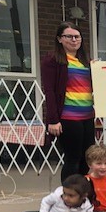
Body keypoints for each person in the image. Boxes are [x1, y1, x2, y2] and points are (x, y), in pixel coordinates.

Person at [41, 22, 95, 182]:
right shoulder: (52, 60)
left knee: (87, 158)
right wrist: (53, 120)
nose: (74, 40)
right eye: (69, 36)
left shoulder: (86, 62)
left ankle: (82, 194)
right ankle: (68, 196)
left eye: (77, 36)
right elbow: (49, 92)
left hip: (88, 117)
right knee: (73, 158)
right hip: (68, 118)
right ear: (59, 39)